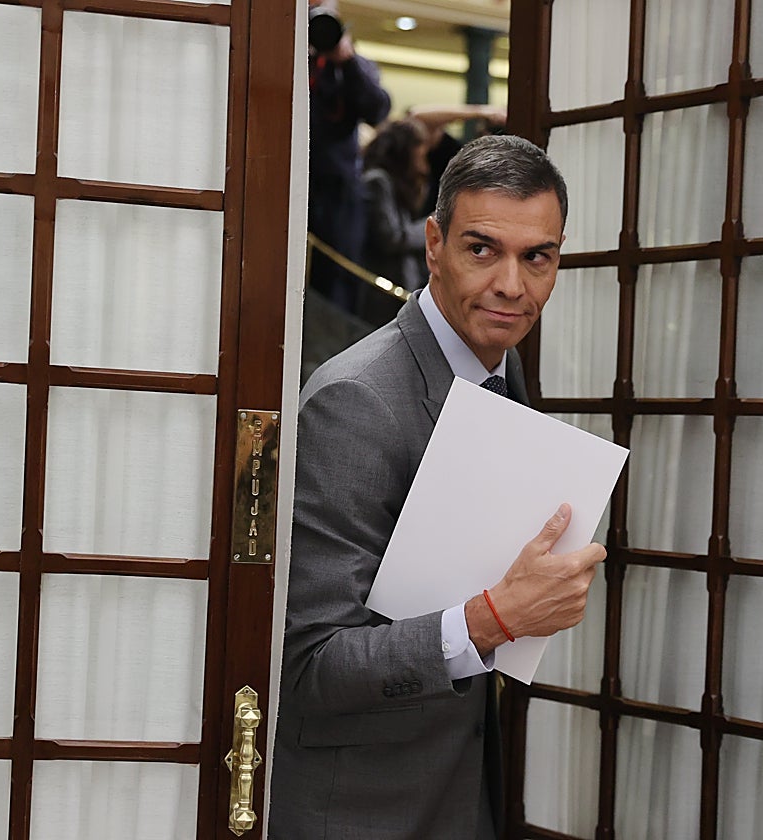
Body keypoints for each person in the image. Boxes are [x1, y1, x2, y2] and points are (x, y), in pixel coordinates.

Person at [269, 135, 605, 840]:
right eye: (482, 249)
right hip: (362, 813)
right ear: (433, 244)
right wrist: (496, 618)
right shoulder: (355, 401)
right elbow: (310, 664)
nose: (512, 284)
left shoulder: (500, 373)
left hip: (455, 796)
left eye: (536, 257)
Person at [307, 2, 392, 314]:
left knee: (340, 277)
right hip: (288, 184)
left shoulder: (350, 67)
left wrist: (347, 60)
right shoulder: (289, 57)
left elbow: (378, 110)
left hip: (338, 190)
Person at [360, 117, 433, 297]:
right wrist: (432, 225)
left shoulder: (401, 185)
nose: (424, 155)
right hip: (381, 292)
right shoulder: (378, 181)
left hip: (402, 286)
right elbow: (392, 237)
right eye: (420, 148)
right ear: (406, 150)